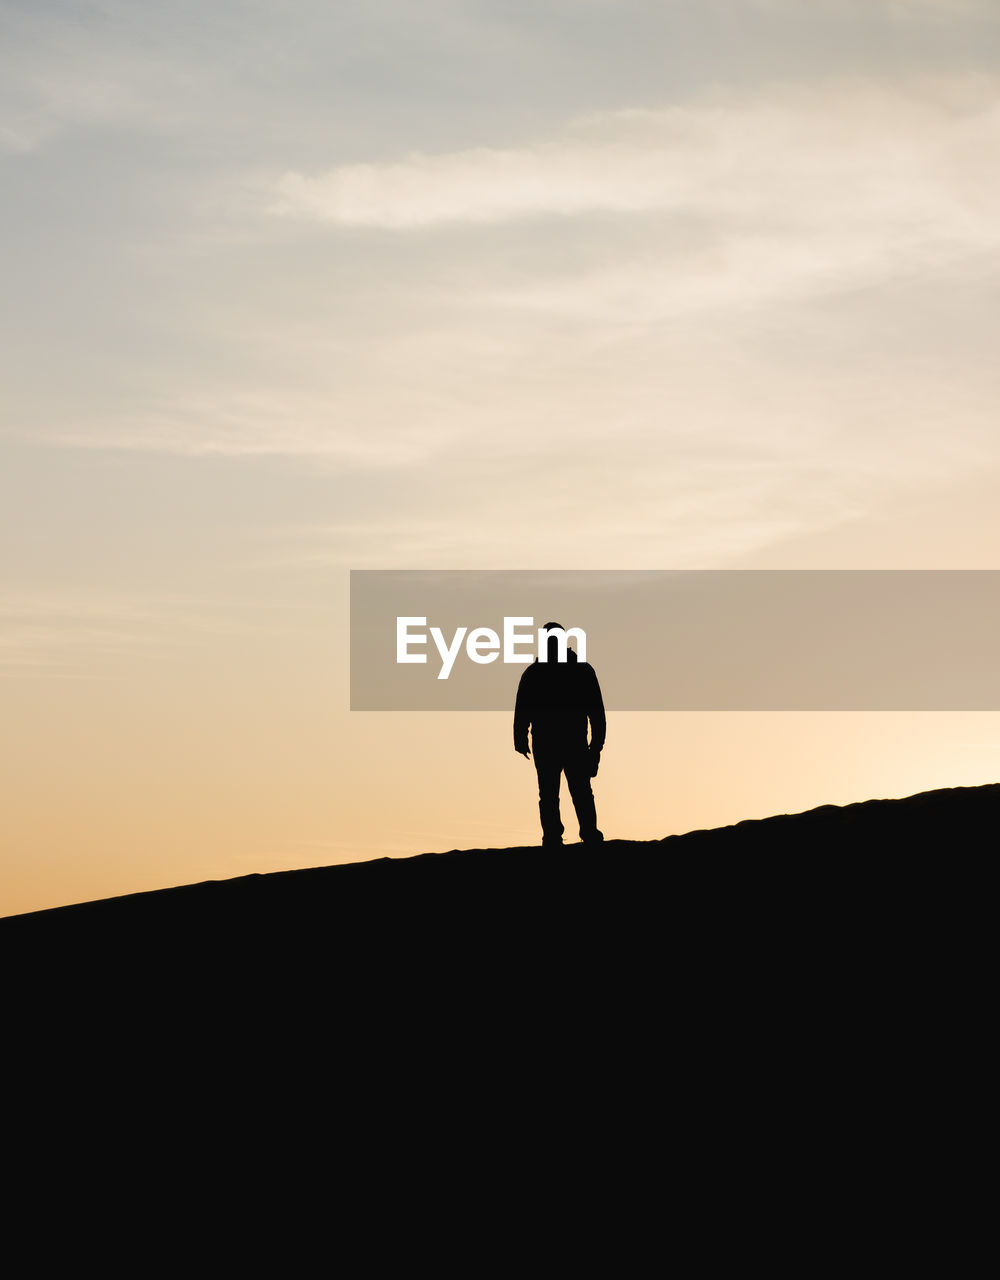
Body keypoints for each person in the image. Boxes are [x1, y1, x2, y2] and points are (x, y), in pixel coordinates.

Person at [513, 621, 606, 847]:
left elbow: (596, 713)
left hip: (562, 742)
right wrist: (520, 737)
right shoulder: (577, 671)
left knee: (567, 791)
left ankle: (573, 834)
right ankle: (566, 835)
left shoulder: (538, 673)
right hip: (558, 743)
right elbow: (597, 713)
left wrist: (596, 747)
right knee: (565, 791)